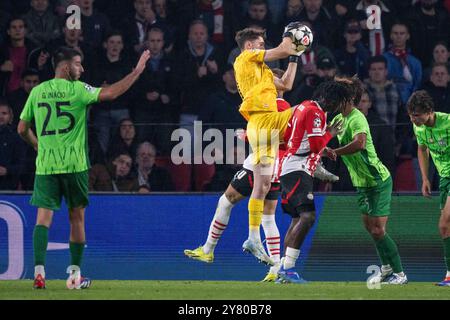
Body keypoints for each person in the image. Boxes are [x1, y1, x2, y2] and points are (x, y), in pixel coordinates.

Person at [17, 46, 150, 289]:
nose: (82, 68)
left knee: (42, 220)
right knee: (76, 219)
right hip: (74, 166)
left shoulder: (37, 92)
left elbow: (21, 128)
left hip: (46, 166)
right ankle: (74, 277)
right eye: (78, 64)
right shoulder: (78, 90)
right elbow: (110, 94)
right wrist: (136, 72)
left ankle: (38, 273)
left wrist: (38, 146)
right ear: (66, 67)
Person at [327, 77, 408, 285]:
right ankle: (386, 268)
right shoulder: (338, 119)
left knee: (379, 230)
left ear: (348, 97)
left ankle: (400, 273)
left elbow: (359, 144)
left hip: (377, 180)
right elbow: (323, 138)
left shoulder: (357, 118)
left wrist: (333, 151)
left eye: (338, 94)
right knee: (370, 229)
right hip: (361, 182)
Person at [233, 25, 300, 265]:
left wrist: (295, 56)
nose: (264, 48)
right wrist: (293, 36)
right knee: (306, 109)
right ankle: (316, 155)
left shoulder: (262, 71)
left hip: (267, 126)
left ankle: (252, 237)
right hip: (263, 121)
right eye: (261, 44)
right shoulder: (246, 57)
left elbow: (287, 84)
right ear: (250, 46)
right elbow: (280, 49)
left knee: (261, 187)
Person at [276, 81, 344, 283]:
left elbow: (293, 137)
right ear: (330, 99)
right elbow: (314, 145)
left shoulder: (303, 106)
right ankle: (288, 269)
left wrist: (323, 148)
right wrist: (330, 134)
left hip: (290, 167)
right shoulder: (316, 112)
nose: (339, 107)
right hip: (298, 169)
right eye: (339, 102)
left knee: (297, 219)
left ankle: (282, 269)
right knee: (308, 217)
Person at [407, 90, 450, 286]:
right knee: (444, 227)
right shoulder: (419, 127)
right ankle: (449, 275)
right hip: (444, 178)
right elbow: (422, 149)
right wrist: (425, 178)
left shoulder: (448, 122)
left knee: (446, 221)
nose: (414, 119)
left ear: (429, 111)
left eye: (417, 115)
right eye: (411, 115)